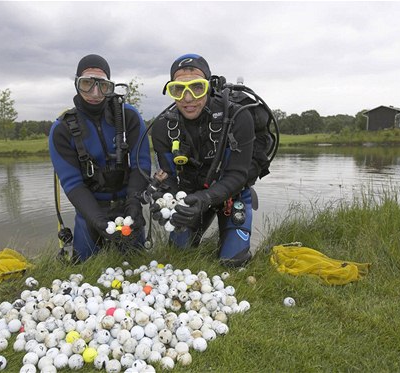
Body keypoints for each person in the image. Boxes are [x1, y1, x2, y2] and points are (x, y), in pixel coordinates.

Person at [150, 54, 255, 267]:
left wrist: (205, 199)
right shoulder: (162, 127)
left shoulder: (237, 117)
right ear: (170, 90)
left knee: (231, 262)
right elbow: (169, 177)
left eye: (197, 87)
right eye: (178, 89)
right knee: (179, 256)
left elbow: (238, 174)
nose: (188, 98)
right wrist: (164, 202)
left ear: (209, 86)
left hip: (231, 195)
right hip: (190, 197)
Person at [49, 54, 151, 262]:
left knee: (137, 264)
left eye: (102, 85)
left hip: (128, 206)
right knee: (84, 267)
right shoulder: (61, 129)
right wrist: (97, 220)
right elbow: (72, 183)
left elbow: (141, 165)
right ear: (77, 85)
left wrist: (134, 202)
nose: (95, 93)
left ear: (110, 86)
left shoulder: (129, 116)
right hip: (90, 211)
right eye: (87, 84)